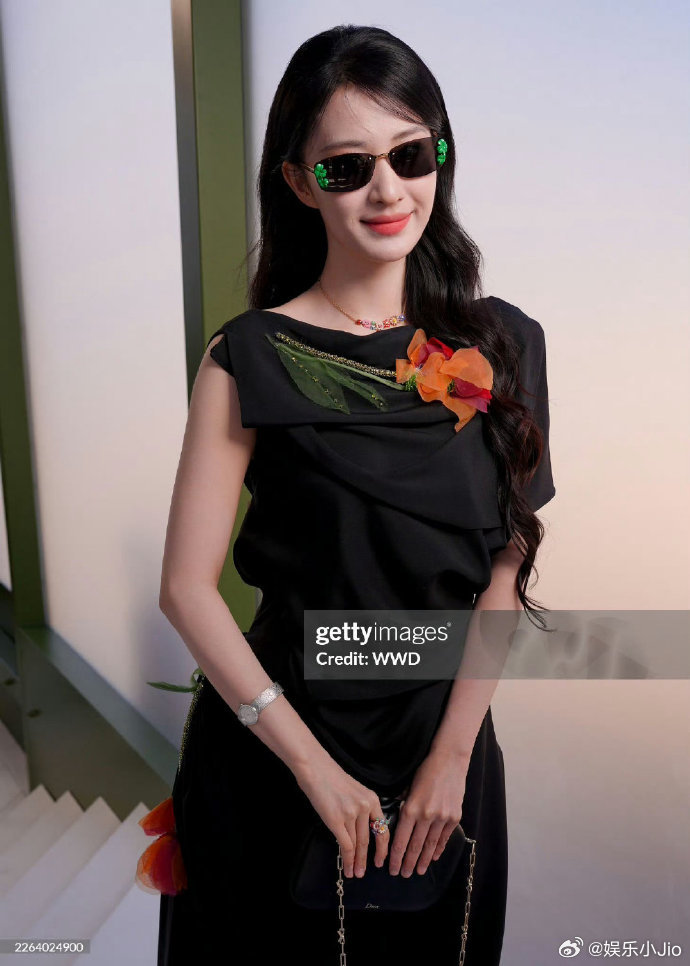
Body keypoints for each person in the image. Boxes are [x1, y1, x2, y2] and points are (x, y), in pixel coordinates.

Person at [153, 23, 555, 966]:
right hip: (281, 746)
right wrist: (311, 768)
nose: (388, 191)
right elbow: (185, 589)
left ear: (440, 156)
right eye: (347, 167)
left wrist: (451, 758)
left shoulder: (507, 345)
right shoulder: (248, 356)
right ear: (300, 183)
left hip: (444, 751)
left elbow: (506, 569)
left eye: (411, 155)